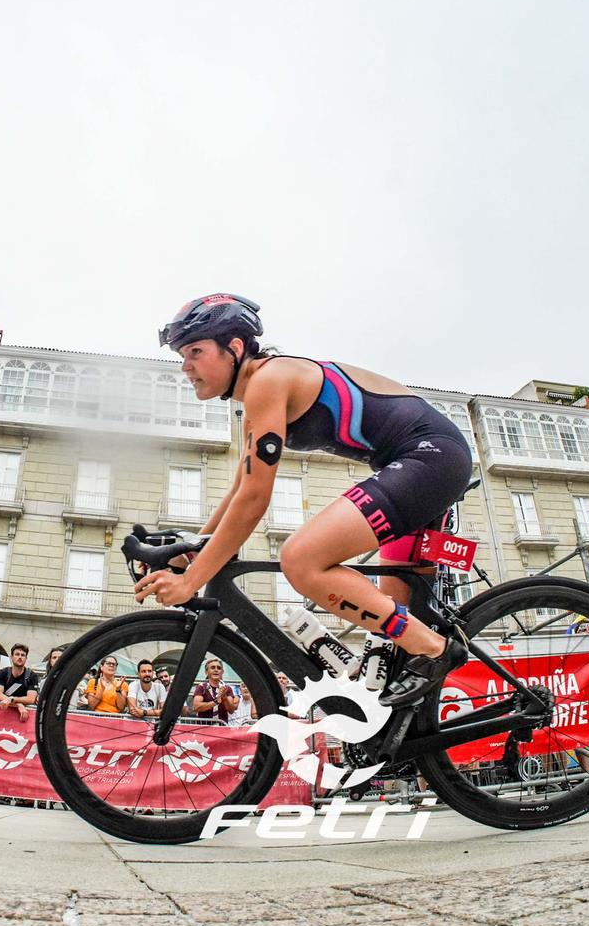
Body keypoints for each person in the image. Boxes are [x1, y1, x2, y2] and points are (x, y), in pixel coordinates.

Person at [134, 295, 476, 706]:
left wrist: (191, 580)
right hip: (426, 461)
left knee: (302, 559)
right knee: (396, 643)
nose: (185, 366)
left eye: (195, 351)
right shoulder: (259, 392)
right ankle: (412, 743)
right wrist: (196, 549)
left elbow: (256, 498)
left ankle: (441, 652)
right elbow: (242, 487)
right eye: (181, 355)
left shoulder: (268, 381)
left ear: (236, 348)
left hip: (429, 457)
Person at [0, 644, 40, 720]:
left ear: (26, 658)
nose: (20, 657)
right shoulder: (3, 673)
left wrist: (11, 699)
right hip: (4, 713)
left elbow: (31, 699)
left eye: (23, 655)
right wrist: (19, 704)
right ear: (11, 657)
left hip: (23, 716)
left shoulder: (32, 675)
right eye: (17, 654)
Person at [190, 658, 235, 723]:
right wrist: (215, 702)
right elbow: (196, 707)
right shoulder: (201, 687)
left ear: (222, 672)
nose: (216, 670)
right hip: (204, 728)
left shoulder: (227, 688)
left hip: (222, 728)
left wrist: (224, 697)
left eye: (219, 668)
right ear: (206, 672)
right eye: (213, 667)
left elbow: (231, 710)